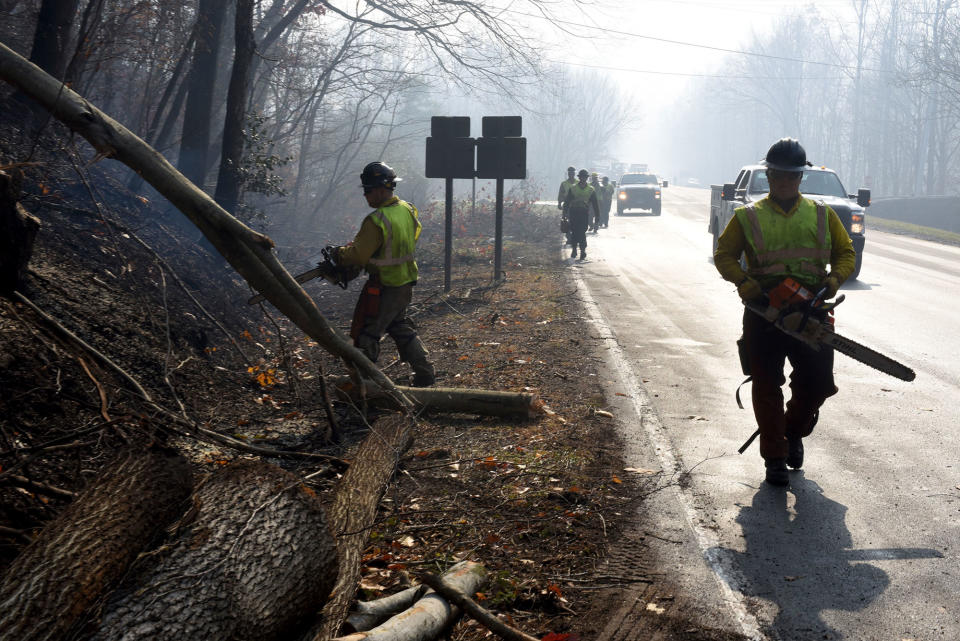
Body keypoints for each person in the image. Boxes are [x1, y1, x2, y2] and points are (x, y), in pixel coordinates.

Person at [713, 138, 856, 486]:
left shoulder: (822, 214)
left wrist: (835, 279)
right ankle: (774, 458)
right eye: (778, 175)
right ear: (769, 174)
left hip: (811, 309)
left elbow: (845, 253)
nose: (784, 182)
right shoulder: (749, 216)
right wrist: (743, 283)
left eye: (791, 176)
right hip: (764, 310)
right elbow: (725, 255)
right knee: (766, 385)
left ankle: (792, 432)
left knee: (819, 383)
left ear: (800, 178)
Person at [334, 161, 436, 387]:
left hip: (385, 285)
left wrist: (340, 254)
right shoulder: (407, 209)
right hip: (405, 282)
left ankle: (363, 385)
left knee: (368, 333)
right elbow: (410, 237)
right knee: (398, 326)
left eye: (368, 190)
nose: (366, 196)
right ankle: (425, 373)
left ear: (381, 189)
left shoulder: (376, 220)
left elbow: (358, 256)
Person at [561, 169, 600, 261]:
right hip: (573, 212)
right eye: (581, 177)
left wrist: (597, 216)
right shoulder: (573, 189)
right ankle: (574, 250)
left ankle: (582, 250)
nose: (583, 179)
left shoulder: (591, 190)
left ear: (586, 178)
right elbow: (567, 202)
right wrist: (564, 214)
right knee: (574, 232)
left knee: (582, 232)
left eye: (585, 177)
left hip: (584, 213)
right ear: (579, 178)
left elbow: (595, 204)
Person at [557, 166, 577, 246]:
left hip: (576, 206)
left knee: (576, 223)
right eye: (569, 172)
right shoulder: (564, 184)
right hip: (567, 206)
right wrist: (559, 203)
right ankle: (569, 238)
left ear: (574, 173)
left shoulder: (579, 183)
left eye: (572, 172)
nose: (571, 174)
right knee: (566, 223)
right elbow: (561, 194)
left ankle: (575, 238)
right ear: (568, 174)